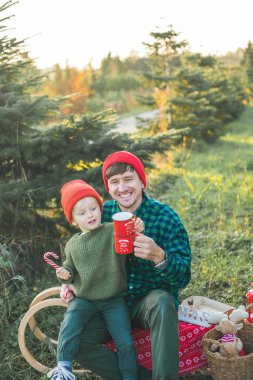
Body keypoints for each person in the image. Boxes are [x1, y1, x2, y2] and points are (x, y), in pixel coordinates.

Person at [62, 151, 191, 380]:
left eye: (128, 179)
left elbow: (183, 277)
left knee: (162, 300)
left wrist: (159, 256)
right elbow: (82, 253)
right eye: (114, 182)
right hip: (109, 303)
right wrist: (71, 282)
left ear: (142, 181)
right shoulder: (103, 213)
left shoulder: (165, 217)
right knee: (76, 342)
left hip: (146, 304)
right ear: (109, 188)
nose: (122, 188)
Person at [47, 179, 144, 380]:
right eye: (81, 213)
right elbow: (70, 269)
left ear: (100, 209)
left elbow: (129, 239)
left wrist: (136, 228)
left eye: (93, 208)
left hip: (113, 300)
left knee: (124, 340)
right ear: (73, 220)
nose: (90, 215)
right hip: (85, 299)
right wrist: (64, 275)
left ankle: (129, 376)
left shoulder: (112, 231)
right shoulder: (73, 245)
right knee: (71, 320)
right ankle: (63, 366)